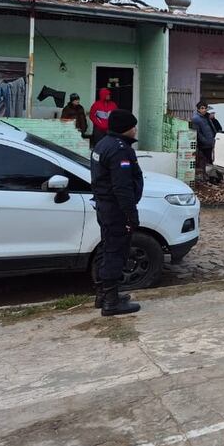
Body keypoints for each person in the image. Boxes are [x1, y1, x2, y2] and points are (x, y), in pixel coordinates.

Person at [91, 109, 143, 316]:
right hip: (116, 210)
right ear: (126, 129)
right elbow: (122, 186)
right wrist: (131, 214)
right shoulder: (119, 150)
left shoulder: (103, 143)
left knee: (107, 248)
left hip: (105, 206)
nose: (135, 129)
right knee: (116, 251)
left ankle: (103, 294)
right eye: (133, 126)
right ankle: (111, 302)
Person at [192, 101, 218, 179]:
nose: (204, 110)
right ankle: (207, 176)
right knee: (207, 161)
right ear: (198, 109)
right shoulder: (196, 119)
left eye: (205, 108)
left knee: (209, 160)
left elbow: (213, 128)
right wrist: (205, 141)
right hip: (204, 144)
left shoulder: (207, 117)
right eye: (202, 108)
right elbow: (197, 133)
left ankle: (209, 176)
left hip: (212, 142)